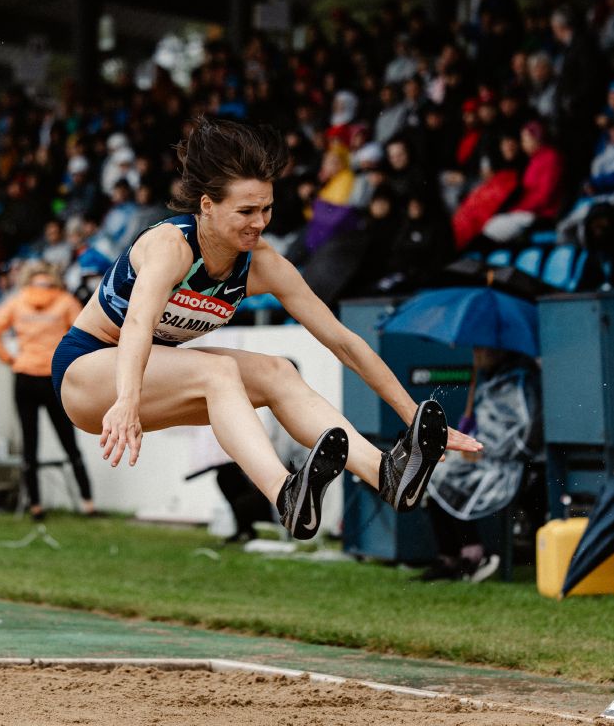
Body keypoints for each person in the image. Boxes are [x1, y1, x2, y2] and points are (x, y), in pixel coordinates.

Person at [52, 116, 479, 540]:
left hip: (148, 376)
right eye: (246, 211)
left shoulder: (264, 264)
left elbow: (343, 342)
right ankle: (283, 492)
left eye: (266, 209)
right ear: (207, 206)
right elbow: (138, 325)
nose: (259, 223)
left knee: (279, 372)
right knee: (217, 371)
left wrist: (410, 415)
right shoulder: (171, 247)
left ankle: (385, 473)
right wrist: (126, 400)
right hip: (88, 375)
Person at [0, 260, 94, 520]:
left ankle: (36, 506)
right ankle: (87, 502)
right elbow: (86, 332)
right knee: (69, 442)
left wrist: (10, 359)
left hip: (25, 376)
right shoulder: (64, 300)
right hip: (54, 377)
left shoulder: (17, 301)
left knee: (30, 445)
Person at [419, 347, 543, 582]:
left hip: (508, 466)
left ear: (498, 350)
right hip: (482, 459)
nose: (476, 355)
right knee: (433, 471)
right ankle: (449, 557)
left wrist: (484, 449)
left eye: (481, 350)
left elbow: (525, 432)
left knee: (449, 476)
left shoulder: (520, 381)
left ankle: (474, 554)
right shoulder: (490, 381)